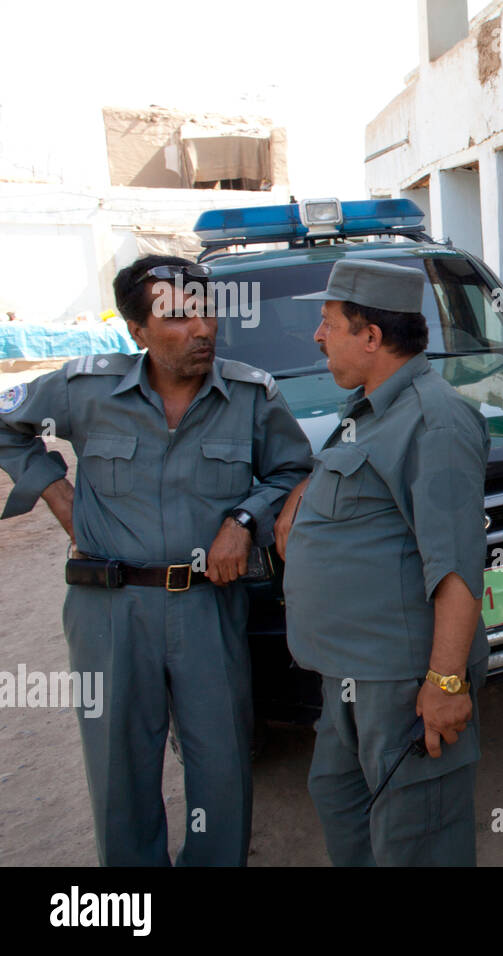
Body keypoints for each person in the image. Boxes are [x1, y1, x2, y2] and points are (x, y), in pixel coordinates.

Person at [0, 254, 313, 865]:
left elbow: (292, 469)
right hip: (109, 608)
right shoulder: (83, 388)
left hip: (207, 605)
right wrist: (62, 500)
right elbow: (6, 423)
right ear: (136, 331)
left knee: (220, 761)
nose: (202, 329)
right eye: (178, 318)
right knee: (120, 764)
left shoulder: (250, 394)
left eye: (206, 313)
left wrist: (243, 520)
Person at [278, 259, 490, 866]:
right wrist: (301, 501)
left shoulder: (435, 419)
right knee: (349, 818)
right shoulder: (371, 408)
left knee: (417, 841)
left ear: (370, 336)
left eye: (328, 323)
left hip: (401, 689)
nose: (318, 336)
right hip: (348, 678)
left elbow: (456, 567)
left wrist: (445, 683)